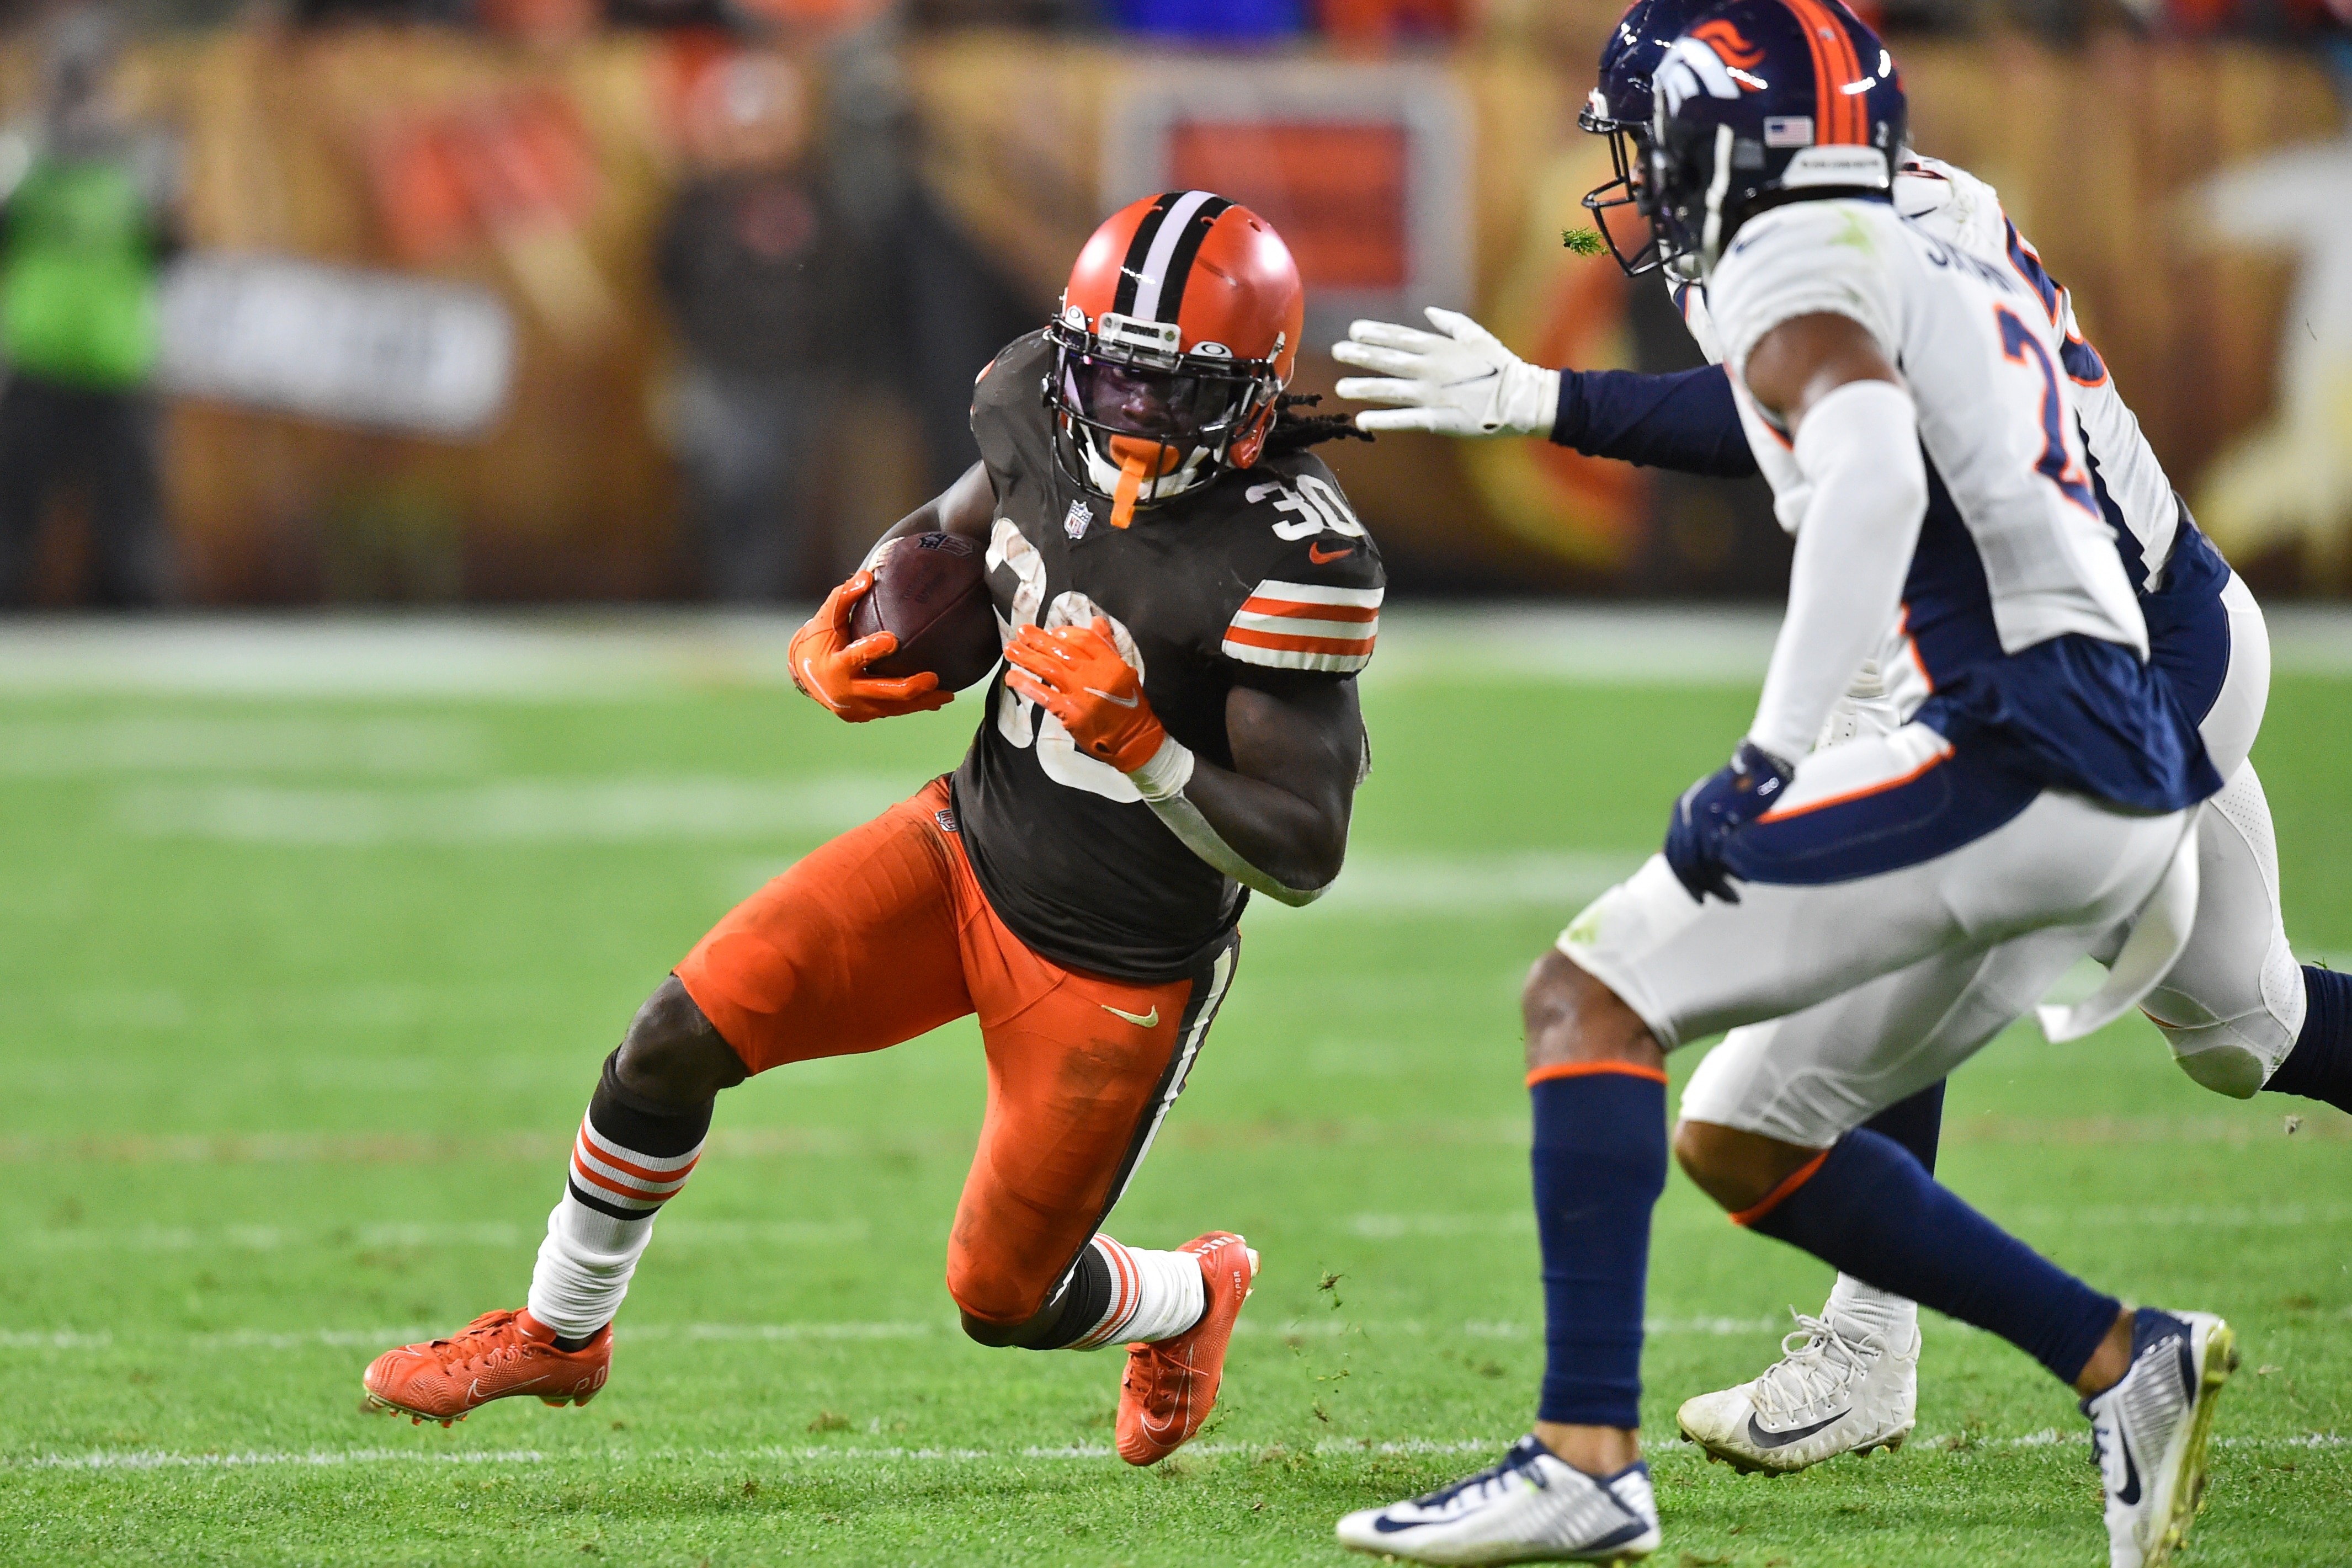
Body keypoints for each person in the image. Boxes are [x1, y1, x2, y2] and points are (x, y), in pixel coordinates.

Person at [1336, 0, 2352, 1485]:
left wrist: (1762, 743)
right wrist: (1543, 398)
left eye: (1648, 139)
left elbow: (1835, 426)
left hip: (2112, 665)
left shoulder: (1822, 247)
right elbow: (1786, 407)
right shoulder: (1866, 213)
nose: (1627, 175)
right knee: (2246, 1029)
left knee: (1851, 947)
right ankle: (1911, 1343)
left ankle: (1867, 1347)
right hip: (2155, 633)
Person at [362, 191, 1382, 1467]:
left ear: (1253, 390)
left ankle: (1189, 1295)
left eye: (1171, 397)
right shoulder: (1030, 406)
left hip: (1116, 962)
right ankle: (561, 1334)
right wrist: (846, 622)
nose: (1127, 421)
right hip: (962, 847)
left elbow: (1301, 853)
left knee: (1002, 1302)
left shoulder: (1291, 558)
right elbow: (958, 528)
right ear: (1065, 356)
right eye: (1109, 382)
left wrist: (1146, 744)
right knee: (674, 1038)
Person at [0, 6, 179, 609]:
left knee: (128, 515)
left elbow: (172, 254)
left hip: (117, 356)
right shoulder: (22, 157)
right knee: (14, 508)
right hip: (40, 352)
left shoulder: (138, 161)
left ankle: (134, 610)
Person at [654, 53, 851, 602]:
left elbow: (842, 284)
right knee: (727, 495)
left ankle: (764, 603)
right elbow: (672, 280)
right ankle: (726, 599)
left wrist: (823, 355)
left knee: (785, 502)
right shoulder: (698, 205)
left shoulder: (819, 197)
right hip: (722, 373)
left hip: (797, 373)